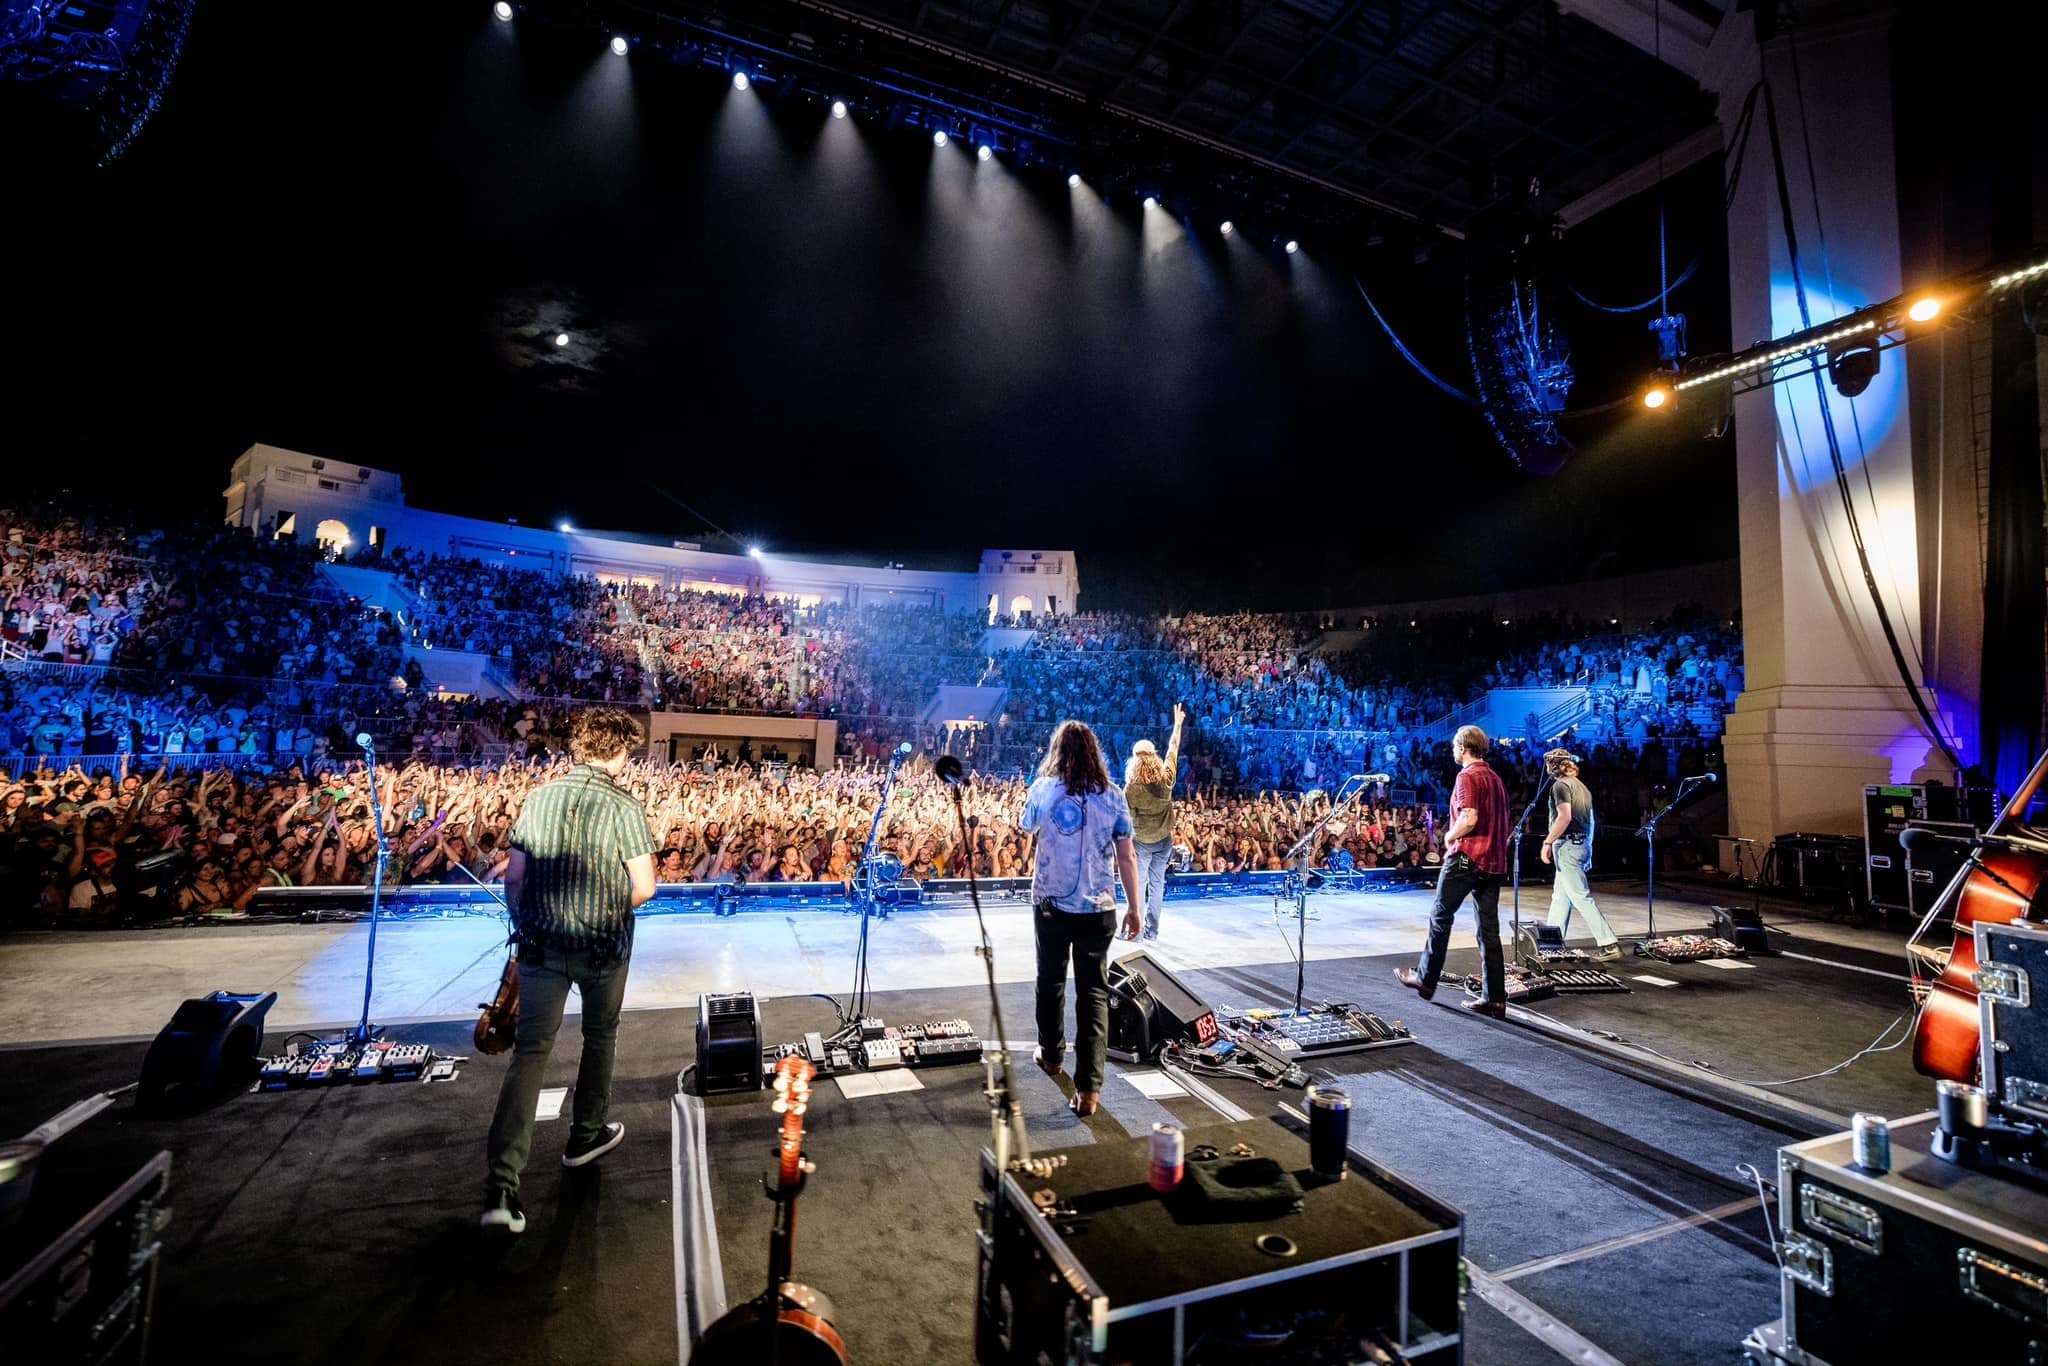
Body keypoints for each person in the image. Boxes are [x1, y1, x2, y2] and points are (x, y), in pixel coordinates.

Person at [481, 707, 657, 1236]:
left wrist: (527, 922)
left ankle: (501, 1189)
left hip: (540, 946)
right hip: (603, 949)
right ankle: (584, 1137)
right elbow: (645, 887)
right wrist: (602, 910)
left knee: (530, 1055)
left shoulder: (539, 797)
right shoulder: (625, 806)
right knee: (600, 1036)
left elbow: (515, 879)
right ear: (620, 752)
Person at [1020, 719, 1143, 1117]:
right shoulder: (1114, 796)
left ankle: (1052, 1056)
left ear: (1058, 753)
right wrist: (1135, 907)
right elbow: (1127, 856)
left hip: (1053, 905)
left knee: (1051, 981)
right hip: (1099, 908)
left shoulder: (1044, 790)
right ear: (1095, 753)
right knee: (1093, 995)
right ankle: (1089, 1090)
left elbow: (1025, 825)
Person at [1396, 724, 1511, 1017]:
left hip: (1467, 857)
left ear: (1462, 747)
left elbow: (1469, 817)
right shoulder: (1496, 779)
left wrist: (1449, 836)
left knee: (1440, 915)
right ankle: (1495, 998)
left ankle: (1425, 979)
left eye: (1454, 747)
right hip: (1494, 861)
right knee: (1489, 931)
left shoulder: (1467, 776)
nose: (1453, 752)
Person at [1540, 748, 1619, 958]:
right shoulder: (1582, 787)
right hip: (1581, 844)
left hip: (1567, 846)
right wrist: (1589, 849)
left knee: (1580, 897)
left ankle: (1609, 942)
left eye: (1549, 763)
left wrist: (1547, 842)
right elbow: (1591, 822)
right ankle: (1552, 944)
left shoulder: (1560, 785)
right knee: (1560, 897)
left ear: (1554, 765)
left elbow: (1564, 817)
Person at [1123, 702, 1185, 940]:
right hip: (1164, 841)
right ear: (1153, 756)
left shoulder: (1131, 789)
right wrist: (1177, 724)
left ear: (1135, 759)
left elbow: (1127, 819)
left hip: (1141, 842)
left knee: (1138, 886)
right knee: (1156, 886)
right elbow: (1173, 749)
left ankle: (1135, 934)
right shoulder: (1167, 781)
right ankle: (1152, 932)